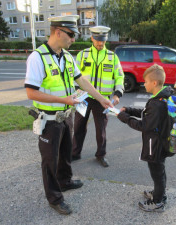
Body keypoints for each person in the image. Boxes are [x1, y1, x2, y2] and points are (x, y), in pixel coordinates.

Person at [24, 15, 113, 215]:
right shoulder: (38, 57)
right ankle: (54, 197)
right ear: (58, 32)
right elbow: (31, 92)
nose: (73, 39)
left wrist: (100, 98)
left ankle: (64, 181)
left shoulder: (67, 56)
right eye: (71, 35)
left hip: (67, 116)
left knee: (65, 153)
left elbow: (82, 81)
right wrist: (64, 100)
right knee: (50, 160)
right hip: (49, 119)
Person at [117, 64, 174, 212]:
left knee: (157, 172)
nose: (144, 84)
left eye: (146, 81)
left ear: (154, 83)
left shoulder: (156, 103)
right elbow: (147, 114)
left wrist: (124, 118)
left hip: (156, 145)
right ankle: (159, 193)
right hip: (160, 142)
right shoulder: (163, 97)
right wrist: (129, 110)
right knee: (159, 171)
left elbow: (144, 126)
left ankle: (158, 201)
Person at [71, 26, 124, 167]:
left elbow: (119, 76)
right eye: (98, 40)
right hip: (83, 97)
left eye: (103, 40)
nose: (100, 43)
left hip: (102, 99)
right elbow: (73, 77)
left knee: (101, 129)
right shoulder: (83, 55)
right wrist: (76, 93)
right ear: (92, 38)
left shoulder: (112, 57)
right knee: (78, 126)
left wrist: (118, 94)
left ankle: (101, 155)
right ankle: (75, 153)